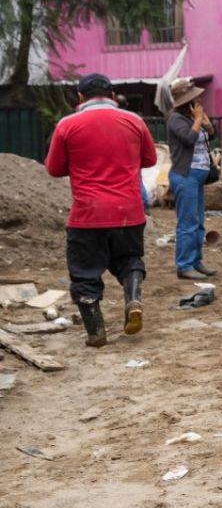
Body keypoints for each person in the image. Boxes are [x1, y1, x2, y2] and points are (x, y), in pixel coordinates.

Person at [45, 74, 158, 346]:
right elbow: (150, 159)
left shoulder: (67, 125)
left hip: (88, 215)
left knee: (85, 273)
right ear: (111, 94)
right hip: (129, 212)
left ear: (80, 97)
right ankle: (133, 299)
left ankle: (96, 332)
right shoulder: (135, 121)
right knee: (129, 259)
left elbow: (54, 169)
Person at [166, 78, 218, 280]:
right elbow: (188, 139)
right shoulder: (176, 119)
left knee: (198, 222)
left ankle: (197, 261)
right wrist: (197, 120)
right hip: (185, 175)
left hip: (198, 176)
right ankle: (184, 265)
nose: (198, 100)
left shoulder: (192, 117)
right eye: (195, 97)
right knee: (187, 222)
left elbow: (209, 137)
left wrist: (206, 123)